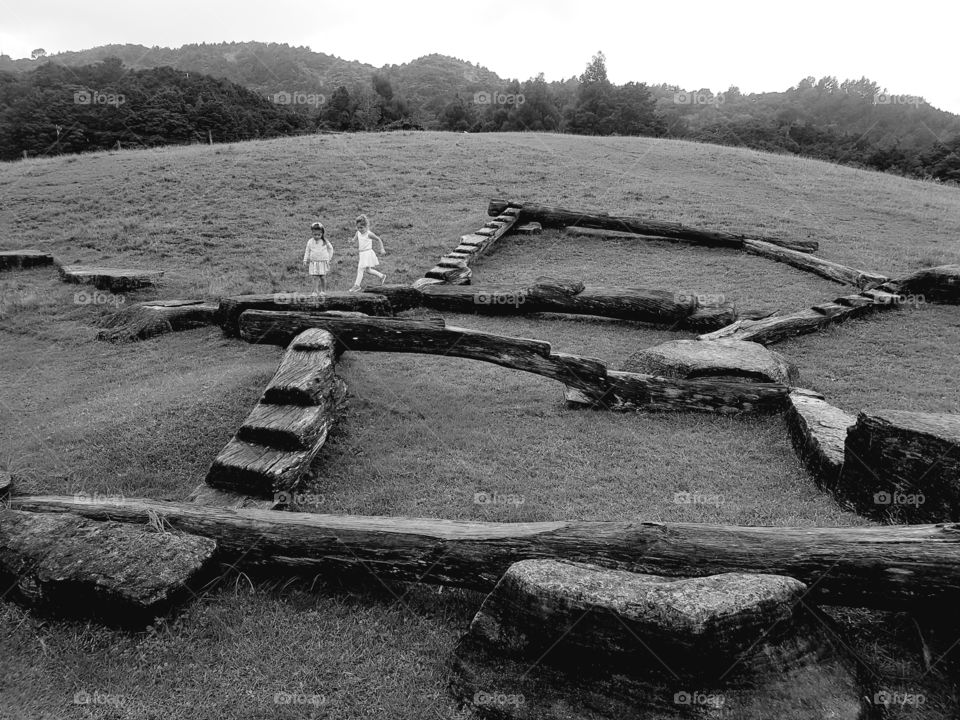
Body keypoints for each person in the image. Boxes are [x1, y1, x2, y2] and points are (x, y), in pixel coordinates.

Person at [348, 214, 386, 292]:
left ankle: (357, 286)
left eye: (361, 227)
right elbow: (354, 240)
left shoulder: (369, 234)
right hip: (361, 254)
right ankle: (382, 276)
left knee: (360, 269)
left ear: (366, 226)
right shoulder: (358, 233)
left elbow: (378, 239)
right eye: (358, 228)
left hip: (367, 253)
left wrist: (382, 248)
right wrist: (351, 241)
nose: (360, 229)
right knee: (368, 270)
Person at [302, 221, 334, 297]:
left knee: (322, 277)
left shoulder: (324, 241)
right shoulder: (310, 241)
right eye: (314, 234)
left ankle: (323, 291)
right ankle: (315, 291)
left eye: (318, 235)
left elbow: (331, 249)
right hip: (314, 262)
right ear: (312, 233)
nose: (316, 236)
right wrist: (305, 259)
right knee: (315, 277)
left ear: (322, 234)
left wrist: (329, 258)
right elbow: (307, 250)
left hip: (323, 262)